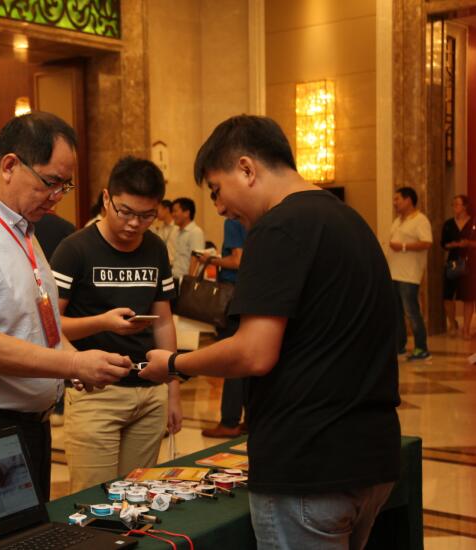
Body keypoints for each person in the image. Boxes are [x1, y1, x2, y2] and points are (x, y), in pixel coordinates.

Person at [140, 115, 400, 550]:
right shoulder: (350, 221)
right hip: (370, 459)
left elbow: (253, 353)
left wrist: (174, 363)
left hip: (309, 465)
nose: (219, 207)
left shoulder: (279, 226)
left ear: (246, 168)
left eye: (216, 190)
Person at [0, 112, 131, 502]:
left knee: (33, 533)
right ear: (10, 165)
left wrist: (74, 358)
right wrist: (73, 364)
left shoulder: (20, 227)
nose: (57, 196)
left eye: (65, 186)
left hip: (27, 425)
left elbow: (38, 322)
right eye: (50, 183)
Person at [50, 156, 181, 492]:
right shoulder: (75, 249)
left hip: (149, 392)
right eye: (125, 212)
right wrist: (102, 323)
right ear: (107, 199)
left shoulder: (155, 248)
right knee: (96, 500)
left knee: (138, 497)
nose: (135, 224)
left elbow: (163, 322)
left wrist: (172, 391)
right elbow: (49, 325)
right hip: (96, 394)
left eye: (147, 215)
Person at [196, 215, 248, 438]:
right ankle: (251, 418)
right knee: (249, 359)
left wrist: (212, 260)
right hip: (250, 294)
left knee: (234, 361)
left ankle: (229, 421)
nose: (218, 208)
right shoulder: (258, 218)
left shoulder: (234, 221)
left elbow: (237, 260)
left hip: (232, 295)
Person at [386, 186, 433, 360]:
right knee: (396, 313)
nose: (394, 203)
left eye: (397, 199)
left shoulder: (420, 220)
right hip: (393, 273)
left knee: (411, 312)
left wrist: (403, 247)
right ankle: (399, 346)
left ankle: (421, 348)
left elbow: (427, 242)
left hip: (409, 275)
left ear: (408, 200)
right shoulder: (397, 221)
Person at [441, 195, 474, 338]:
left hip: (470, 263)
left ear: (465, 206)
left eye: (457, 204)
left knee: (468, 297)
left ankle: (466, 329)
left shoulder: (473, 222)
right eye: (453, 204)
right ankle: (452, 323)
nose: (454, 207)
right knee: (448, 296)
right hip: (453, 262)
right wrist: (452, 245)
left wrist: (469, 243)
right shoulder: (448, 224)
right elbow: (443, 244)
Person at [171, 197, 205, 283]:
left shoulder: (195, 232)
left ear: (186, 213)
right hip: (176, 278)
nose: (173, 215)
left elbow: (196, 260)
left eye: (175, 211)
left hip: (186, 282)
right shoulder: (178, 232)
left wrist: (189, 283)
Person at [152, 198, 177, 264]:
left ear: (167, 209)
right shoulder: (161, 227)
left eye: (158, 209)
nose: (156, 213)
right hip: (163, 263)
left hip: (175, 265)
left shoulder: (177, 228)